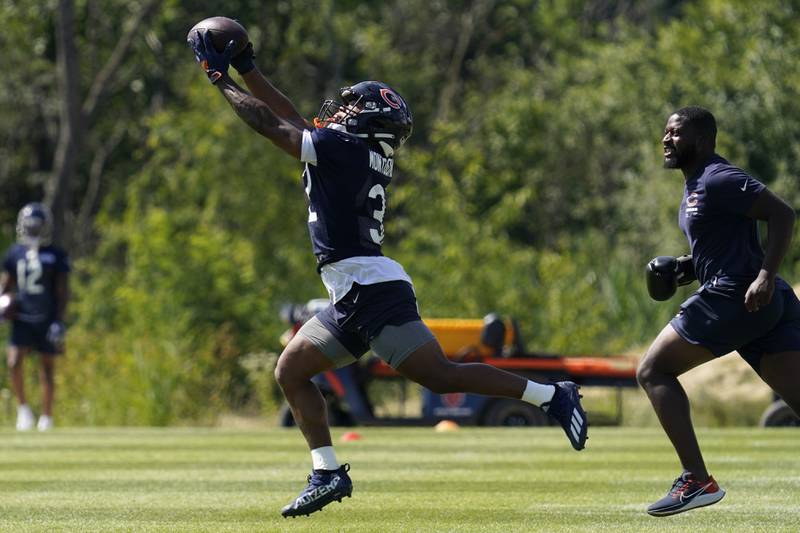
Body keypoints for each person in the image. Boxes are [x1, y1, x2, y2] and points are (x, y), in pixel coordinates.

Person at [187, 29, 589, 517]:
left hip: (371, 290)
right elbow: (288, 118)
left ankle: (551, 395)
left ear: (367, 117)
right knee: (291, 370)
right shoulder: (351, 147)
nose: (337, 109)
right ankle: (326, 471)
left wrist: (219, 80)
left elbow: (273, 126)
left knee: (441, 376)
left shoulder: (345, 147)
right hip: (350, 292)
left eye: (350, 104)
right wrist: (247, 67)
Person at [638, 106, 800, 516]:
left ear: (703, 140)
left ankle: (697, 480)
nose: (666, 139)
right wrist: (685, 268)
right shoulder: (695, 186)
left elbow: (782, 214)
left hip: (737, 295)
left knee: (652, 371)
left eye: (676, 133)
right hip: (757, 302)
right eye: (665, 132)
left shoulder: (717, 177)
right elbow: (727, 244)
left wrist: (764, 275)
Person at [1, 203, 71, 431]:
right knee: (13, 361)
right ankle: (23, 411)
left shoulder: (55, 255)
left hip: (47, 317)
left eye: (36, 226)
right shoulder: (14, 253)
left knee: (47, 367)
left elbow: (62, 292)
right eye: (29, 225)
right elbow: (6, 285)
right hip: (22, 316)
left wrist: (60, 321)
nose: (32, 230)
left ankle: (47, 417)